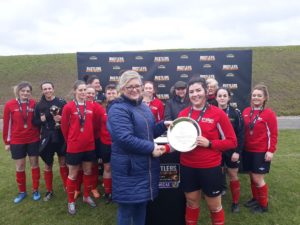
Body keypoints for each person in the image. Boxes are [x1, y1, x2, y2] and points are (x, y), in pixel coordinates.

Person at [107, 70, 169, 225]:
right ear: (122, 88)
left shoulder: (143, 106)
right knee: (127, 210)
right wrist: (151, 148)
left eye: (137, 86)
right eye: (130, 87)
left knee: (142, 205)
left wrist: (163, 125)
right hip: (129, 169)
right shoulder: (118, 109)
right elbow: (124, 138)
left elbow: (148, 132)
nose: (134, 89)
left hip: (144, 168)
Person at [177, 77, 237, 225]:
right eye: (191, 91)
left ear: (206, 91)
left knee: (214, 206)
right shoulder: (183, 114)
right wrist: (164, 147)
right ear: (187, 94)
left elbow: (232, 142)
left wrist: (209, 143)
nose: (195, 94)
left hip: (210, 168)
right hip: (187, 166)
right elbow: (177, 140)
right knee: (191, 203)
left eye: (198, 90)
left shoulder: (218, 113)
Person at [61, 80, 98, 215]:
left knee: (88, 171)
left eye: (84, 90)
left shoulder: (91, 106)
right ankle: (71, 201)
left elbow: (95, 125)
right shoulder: (68, 107)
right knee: (73, 174)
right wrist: (71, 140)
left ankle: (86, 196)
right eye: (80, 90)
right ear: (75, 91)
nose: (83, 93)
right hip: (74, 146)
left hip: (89, 145)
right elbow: (64, 127)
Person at [2, 81, 41, 203]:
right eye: (23, 91)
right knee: (20, 166)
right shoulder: (10, 105)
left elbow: (38, 121)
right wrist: (7, 142)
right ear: (18, 91)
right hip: (17, 140)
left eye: (28, 91)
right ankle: (22, 191)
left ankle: (35, 190)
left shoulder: (34, 103)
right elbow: (7, 124)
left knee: (34, 164)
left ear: (30, 93)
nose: (25, 93)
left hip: (33, 139)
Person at [242, 84, 278, 213]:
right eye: (254, 95)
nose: (256, 97)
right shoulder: (246, 111)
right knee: (252, 176)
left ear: (265, 98)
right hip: (248, 150)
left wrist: (270, 150)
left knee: (258, 178)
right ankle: (256, 199)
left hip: (261, 151)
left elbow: (273, 134)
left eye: (259, 95)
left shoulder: (269, 114)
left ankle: (263, 205)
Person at [33, 81, 68, 201]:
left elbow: (69, 118)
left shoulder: (61, 102)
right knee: (48, 164)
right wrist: (41, 120)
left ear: (53, 89)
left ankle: (66, 186)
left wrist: (61, 118)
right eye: (45, 89)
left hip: (60, 135)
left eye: (49, 88)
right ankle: (49, 190)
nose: (47, 90)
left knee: (63, 162)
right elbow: (35, 122)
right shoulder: (39, 105)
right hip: (47, 136)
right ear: (42, 91)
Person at [216, 87, 244, 213]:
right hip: (216, 150)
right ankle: (217, 199)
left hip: (232, 150)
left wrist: (237, 151)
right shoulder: (211, 111)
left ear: (229, 97)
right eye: (219, 95)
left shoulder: (235, 113)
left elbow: (241, 134)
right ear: (216, 97)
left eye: (224, 95)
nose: (222, 98)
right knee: (218, 173)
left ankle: (235, 202)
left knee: (233, 174)